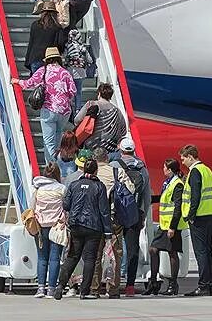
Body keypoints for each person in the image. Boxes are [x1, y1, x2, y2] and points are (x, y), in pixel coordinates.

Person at [54, 159, 112, 300]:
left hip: (76, 225)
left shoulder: (74, 185)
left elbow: (66, 205)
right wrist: (108, 232)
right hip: (93, 226)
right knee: (90, 259)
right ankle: (84, 291)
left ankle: (60, 286)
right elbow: (104, 210)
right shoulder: (99, 186)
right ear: (96, 170)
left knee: (72, 257)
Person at [13, 47, 75, 165]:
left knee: (49, 142)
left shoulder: (44, 70)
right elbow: (72, 91)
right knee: (57, 139)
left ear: (47, 59)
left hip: (49, 110)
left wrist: (17, 81)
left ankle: (51, 167)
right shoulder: (65, 72)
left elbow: (29, 83)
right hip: (65, 112)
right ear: (58, 59)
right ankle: (58, 165)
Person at [89, 147, 134, 299]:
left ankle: (94, 289)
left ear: (95, 160)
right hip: (114, 219)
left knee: (95, 254)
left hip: (95, 220)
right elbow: (131, 189)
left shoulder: (91, 174)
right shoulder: (117, 172)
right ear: (107, 158)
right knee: (115, 254)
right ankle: (113, 289)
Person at [110, 138, 150, 296]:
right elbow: (146, 196)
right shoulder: (142, 168)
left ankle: (113, 282)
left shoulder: (114, 166)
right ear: (133, 150)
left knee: (114, 249)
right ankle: (130, 286)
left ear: (121, 150)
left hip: (117, 213)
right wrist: (143, 214)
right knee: (133, 249)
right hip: (135, 214)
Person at [178, 144, 212, 297]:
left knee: (201, 252)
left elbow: (195, 196)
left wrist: (190, 215)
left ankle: (203, 285)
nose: (182, 162)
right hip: (209, 214)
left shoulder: (195, 172)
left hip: (199, 216)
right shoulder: (206, 169)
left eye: (183, 159)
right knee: (208, 251)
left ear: (190, 157)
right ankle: (210, 285)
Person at [143, 158, 186, 296]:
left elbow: (178, 207)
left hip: (172, 225)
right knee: (153, 249)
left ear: (170, 170)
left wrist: (172, 227)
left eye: (165, 168)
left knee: (172, 253)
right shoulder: (168, 182)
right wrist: (149, 199)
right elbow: (163, 198)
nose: (163, 170)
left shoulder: (177, 185)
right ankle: (154, 282)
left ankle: (173, 285)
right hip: (164, 224)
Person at [32, 162, 67, 299]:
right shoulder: (61, 189)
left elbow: (32, 206)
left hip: (41, 226)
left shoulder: (38, 189)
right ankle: (51, 289)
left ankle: (40, 288)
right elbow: (66, 206)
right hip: (56, 226)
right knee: (54, 258)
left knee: (42, 258)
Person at [75, 83, 127, 152]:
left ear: (99, 94)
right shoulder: (116, 110)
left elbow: (77, 120)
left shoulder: (91, 104)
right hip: (110, 148)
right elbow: (123, 131)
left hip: (91, 145)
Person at [24, 1, 64, 74]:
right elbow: (60, 44)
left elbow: (31, 43)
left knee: (36, 83)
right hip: (50, 59)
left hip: (34, 58)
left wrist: (27, 60)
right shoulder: (57, 27)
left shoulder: (35, 25)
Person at [64, 29, 93, 113]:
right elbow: (90, 60)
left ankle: (68, 107)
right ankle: (78, 109)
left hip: (69, 72)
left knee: (69, 91)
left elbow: (64, 56)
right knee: (78, 92)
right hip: (80, 73)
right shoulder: (82, 48)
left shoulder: (67, 46)